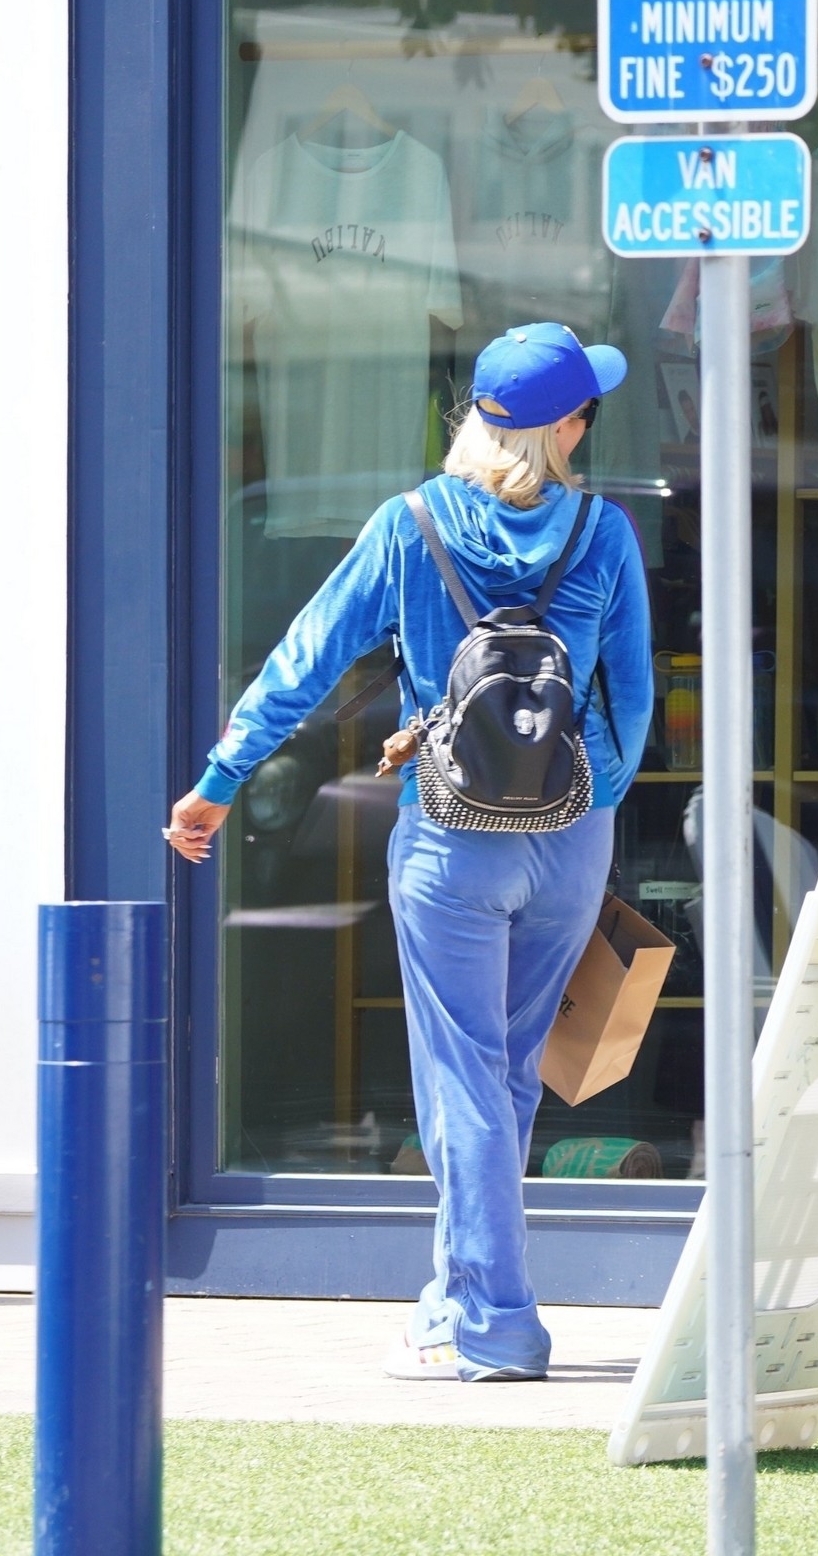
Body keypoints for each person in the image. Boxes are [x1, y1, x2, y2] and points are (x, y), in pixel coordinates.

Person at [165, 323, 651, 1383]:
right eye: (587, 411)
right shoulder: (603, 532)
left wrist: (221, 780)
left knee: (465, 1078)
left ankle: (496, 1322)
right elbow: (634, 698)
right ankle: (457, 1299)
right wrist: (588, 807)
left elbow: (304, 660)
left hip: (451, 838)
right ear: (564, 428)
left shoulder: (410, 524)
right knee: (505, 1075)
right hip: (570, 843)